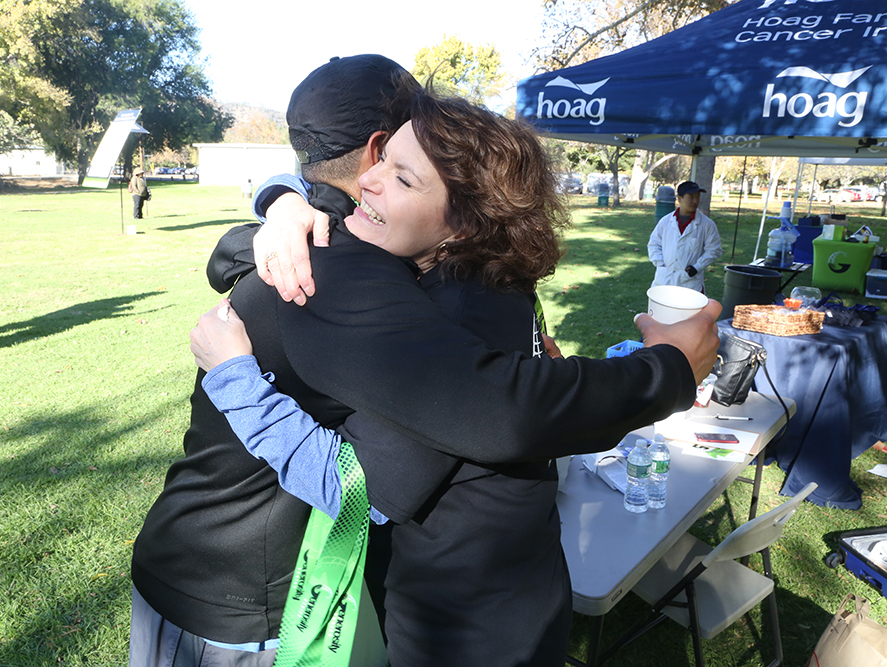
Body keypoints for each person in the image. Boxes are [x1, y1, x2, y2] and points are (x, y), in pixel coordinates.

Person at [130, 54, 720, 667]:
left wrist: (667, 369)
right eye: (383, 163)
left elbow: (487, 413)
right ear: (374, 147)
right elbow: (239, 254)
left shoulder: (415, 283)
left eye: (404, 175)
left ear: (463, 222)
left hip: (321, 597)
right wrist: (277, 206)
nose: (374, 183)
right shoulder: (362, 260)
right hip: (232, 591)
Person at [647, 180, 722, 292]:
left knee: (690, 309)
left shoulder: (707, 225)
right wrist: (660, 264)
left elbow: (714, 250)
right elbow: (654, 244)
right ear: (679, 199)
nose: (695, 201)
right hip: (664, 280)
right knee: (663, 308)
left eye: (697, 197)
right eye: (690, 197)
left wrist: (697, 267)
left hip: (690, 283)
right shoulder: (666, 222)